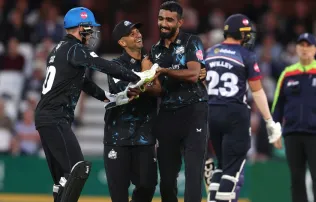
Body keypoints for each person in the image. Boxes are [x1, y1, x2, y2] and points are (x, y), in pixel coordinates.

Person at [34, 7, 156, 202]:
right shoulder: (76, 49)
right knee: (78, 169)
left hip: (46, 117)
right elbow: (103, 65)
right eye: (89, 28)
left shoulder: (59, 50)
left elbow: (84, 83)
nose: (91, 33)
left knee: (62, 181)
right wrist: (138, 76)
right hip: (55, 117)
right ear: (80, 27)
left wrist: (109, 97)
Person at [205, 14, 282, 202]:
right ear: (241, 34)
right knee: (232, 169)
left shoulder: (211, 52)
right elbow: (257, 91)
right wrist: (269, 121)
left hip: (210, 112)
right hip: (234, 114)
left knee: (221, 166)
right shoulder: (245, 55)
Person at [144, 1, 208, 202]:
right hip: (167, 114)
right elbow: (159, 90)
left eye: (169, 20)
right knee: (167, 179)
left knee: (193, 173)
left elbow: (193, 74)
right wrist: (146, 85)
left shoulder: (191, 41)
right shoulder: (154, 51)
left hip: (194, 112)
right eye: (161, 18)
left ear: (180, 22)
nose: (164, 23)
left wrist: (163, 71)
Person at [271, 33, 316, 202]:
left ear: (315, 49)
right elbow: (277, 105)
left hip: (315, 134)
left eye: (308, 45)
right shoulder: (287, 74)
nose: (304, 49)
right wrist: (275, 130)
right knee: (296, 180)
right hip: (292, 134)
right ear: (296, 49)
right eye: (301, 45)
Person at [102, 20, 162, 202]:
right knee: (118, 195)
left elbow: (159, 89)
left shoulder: (151, 62)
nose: (138, 35)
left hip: (144, 137)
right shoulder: (113, 65)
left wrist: (147, 73)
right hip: (117, 137)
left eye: (138, 31)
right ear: (122, 42)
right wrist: (148, 74)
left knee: (148, 185)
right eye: (132, 33)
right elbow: (129, 90)